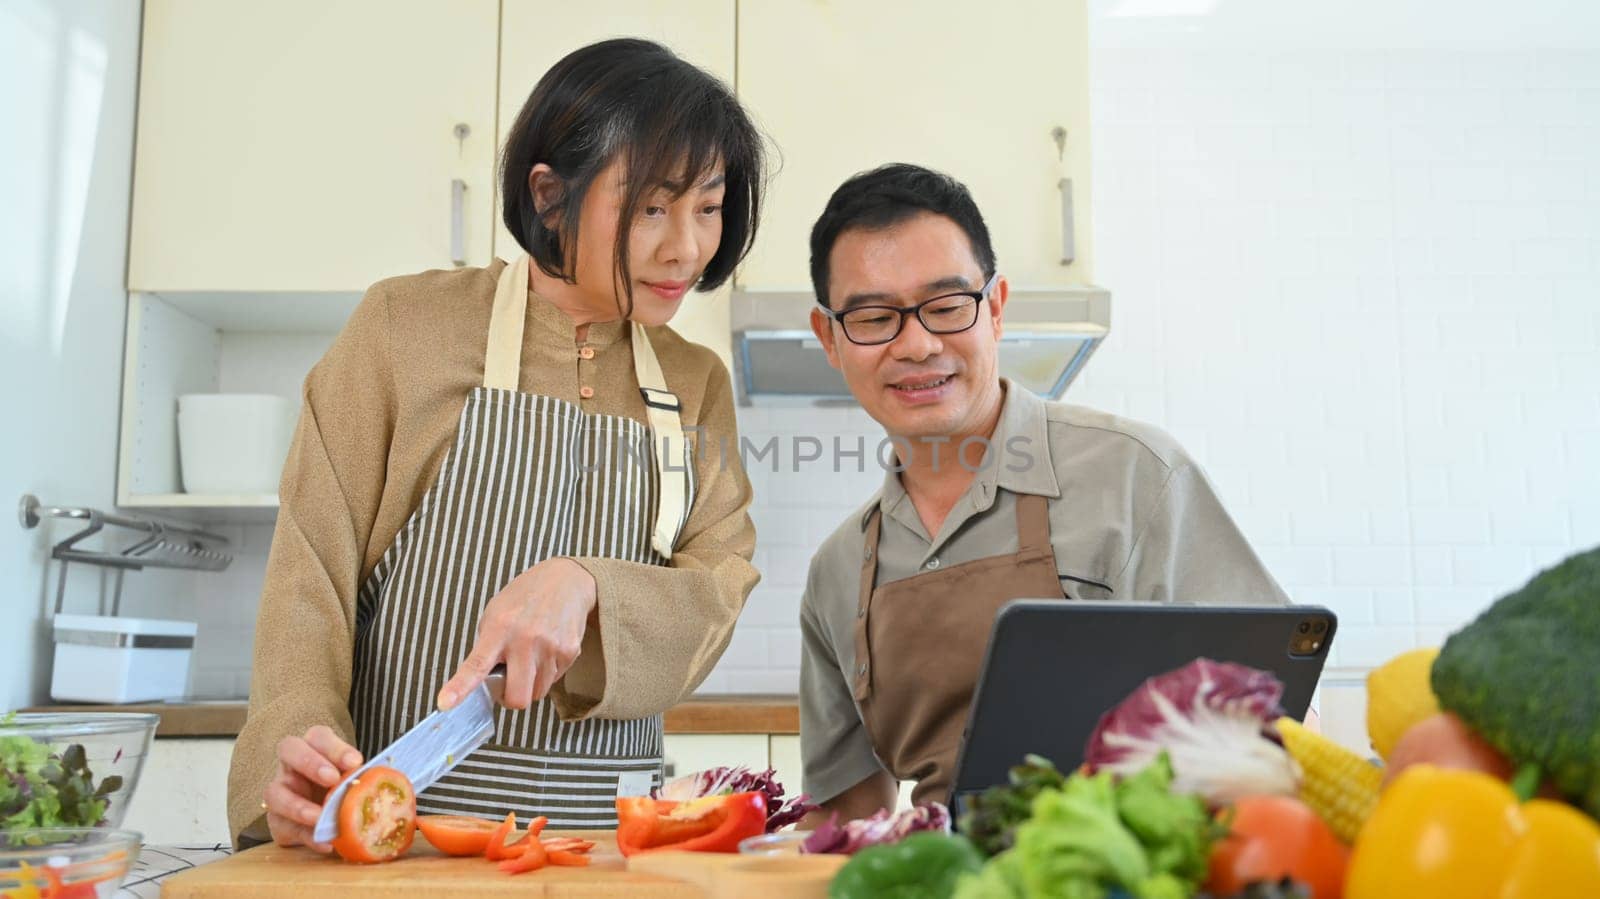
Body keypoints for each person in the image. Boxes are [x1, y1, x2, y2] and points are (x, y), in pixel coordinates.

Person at [227, 38, 766, 849]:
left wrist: (588, 585)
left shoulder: (698, 383)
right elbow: (311, 583)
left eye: (709, 206)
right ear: (549, 196)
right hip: (394, 840)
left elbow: (717, 592)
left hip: (604, 852)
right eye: (653, 206)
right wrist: (304, 756)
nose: (688, 247)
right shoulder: (402, 328)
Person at [797, 164, 1288, 823]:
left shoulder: (1134, 475)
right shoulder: (836, 572)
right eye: (874, 316)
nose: (917, 344)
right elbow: (847, 820)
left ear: (995, 308)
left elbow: (1278, 705)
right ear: (829, 337)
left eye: (945, 307)